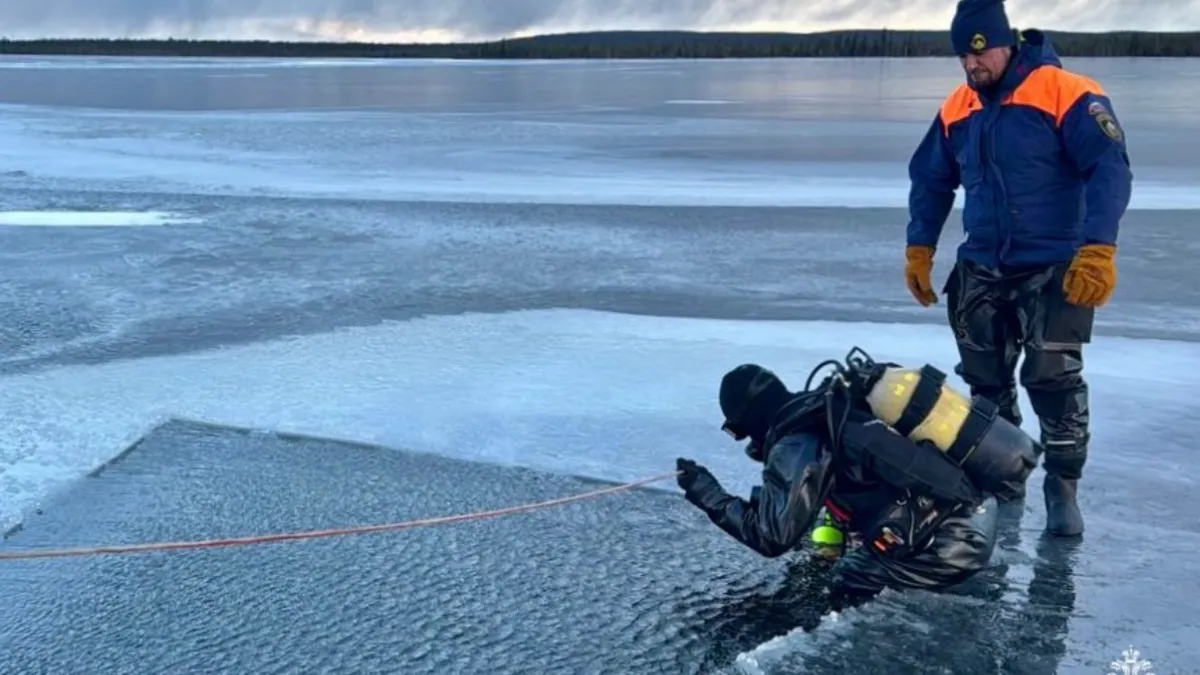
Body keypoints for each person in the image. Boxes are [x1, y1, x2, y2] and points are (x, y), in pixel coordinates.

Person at [903, 0, 1133, 537]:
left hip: (1056, 263)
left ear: (1008, 44)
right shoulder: (959, 107)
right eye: (963, 56)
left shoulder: (1067, 92)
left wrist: (1098, 249)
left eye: (980, 54)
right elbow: (931, 179)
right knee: (985, 384)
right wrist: (920, 248)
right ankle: (1004, 476)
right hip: (983, 264)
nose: (972, 66)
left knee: (1052, 377)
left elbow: (1109, 170)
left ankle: (1062, 485)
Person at [675, 362, 1038, 617]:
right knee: (838, 562)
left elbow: (772, 536)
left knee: (845, 588)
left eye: (738, 432)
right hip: (967, 515)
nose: (746, 441)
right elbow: (807, 500)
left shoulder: (797, 442)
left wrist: (707, 493)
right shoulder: (828, 410)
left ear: (748, 418)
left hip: (944, 544)